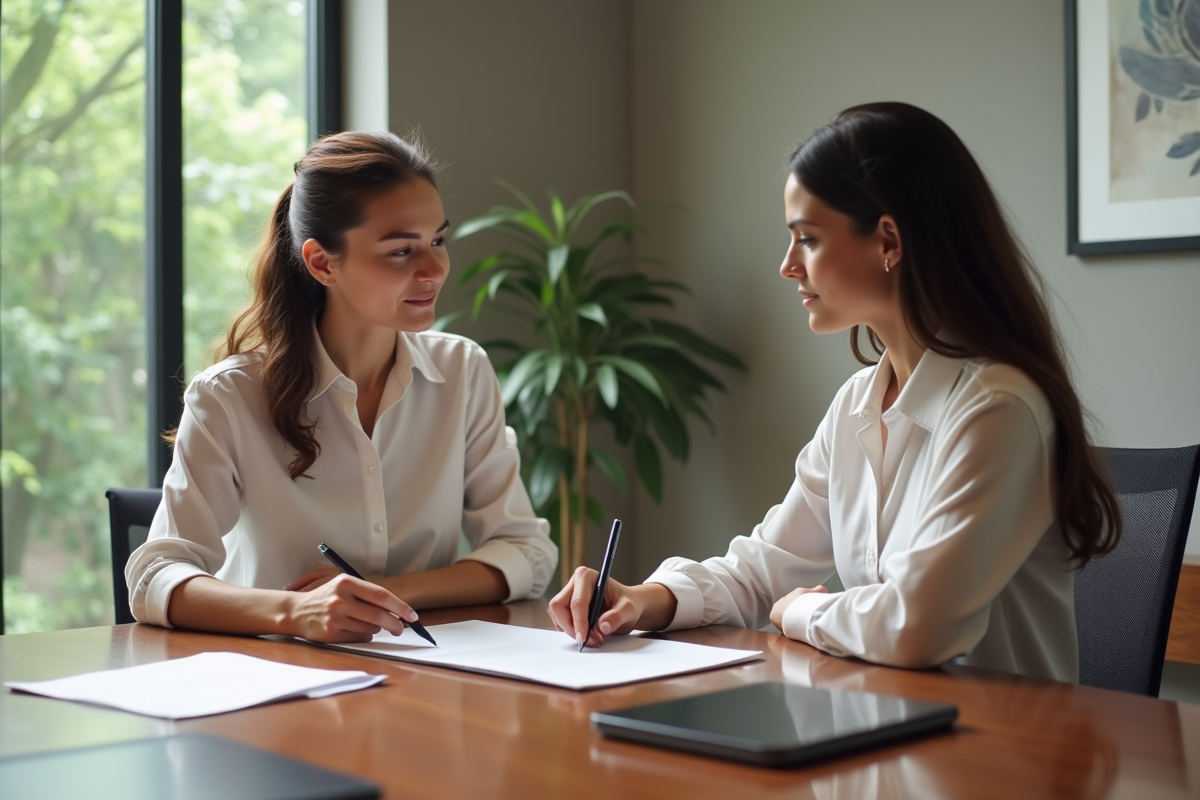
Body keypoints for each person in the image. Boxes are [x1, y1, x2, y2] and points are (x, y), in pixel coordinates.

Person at [549, 102, 1120, 682]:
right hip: (889, 734)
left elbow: (920, 626)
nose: (787, 266)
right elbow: (763, 568)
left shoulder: (999, 407)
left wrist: (805, 610)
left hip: (999, 754)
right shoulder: (856, 404)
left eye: (808, 239)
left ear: (888, 241)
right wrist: (644, 598)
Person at [126, 131, 557, 643]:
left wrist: (380, 594)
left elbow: (525, 551)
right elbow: (156, 577)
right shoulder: (229, 395)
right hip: (272, 684)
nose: (434, 270)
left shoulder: (463, 370)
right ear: (322, 262)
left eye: (438, 241)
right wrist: (295, 611)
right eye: (401, 251)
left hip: (426, 679)